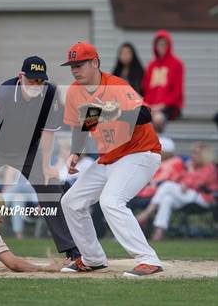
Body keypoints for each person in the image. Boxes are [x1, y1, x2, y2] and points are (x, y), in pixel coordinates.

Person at [0, 56, 81, 260]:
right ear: (20, 76)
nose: (36, 85)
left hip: (27, 149)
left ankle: (71, 249)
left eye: (40, 81)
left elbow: (48, 131)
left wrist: (47, 166)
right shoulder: (4, 93)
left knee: (50, 187)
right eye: (31, 80)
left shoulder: (49, 94)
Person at [59, 42, 163, 277]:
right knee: (71, 201)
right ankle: (93, 258)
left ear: (94, 62)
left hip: (141, 152)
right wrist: (76, 152)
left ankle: (149, 259)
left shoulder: (116, 85)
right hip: (112, 157)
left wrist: (117, 112)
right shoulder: (75, 91)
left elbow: (147, 114)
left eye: (79, 64)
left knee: (111, 201)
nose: (75, 69)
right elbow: (81, 124)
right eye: (71, 65)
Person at [137, 142, 218, 241]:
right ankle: (159, 232)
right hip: (189, 196)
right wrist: (187, 175)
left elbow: (196, 185)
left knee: (167, 186)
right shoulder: (193, 166)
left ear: (204, 155)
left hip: (205, 199)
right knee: (167, 199)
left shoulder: (209, 168)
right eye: (192, 153)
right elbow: (180, 180)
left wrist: (190, 172)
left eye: (196, 153)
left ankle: (146, 213)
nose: (193, 156)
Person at [142, 30, 184, 132]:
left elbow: (177, 92)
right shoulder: (151, 65)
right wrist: (150, 106)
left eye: (165, 43)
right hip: (151, 106)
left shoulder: (177, 64)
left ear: (169, 45)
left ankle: (160, 146)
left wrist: (161, 106)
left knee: (157, 119)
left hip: (169, 106)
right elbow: (146, 89)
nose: (162, 46)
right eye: (159, 44)